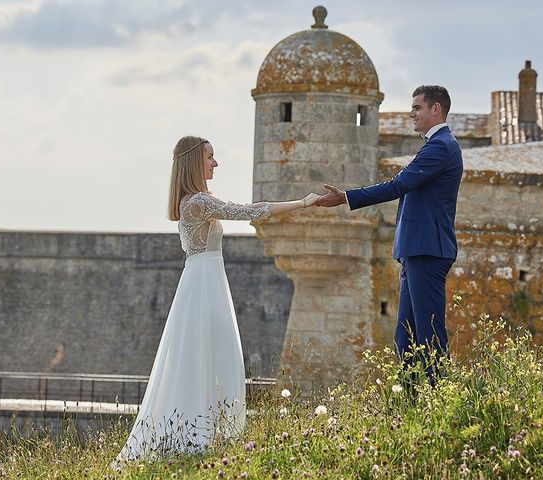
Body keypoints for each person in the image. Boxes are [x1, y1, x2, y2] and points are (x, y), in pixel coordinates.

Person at [112, 136, 320, 464]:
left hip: (204, 281)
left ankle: (203, 436)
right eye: (210, 157)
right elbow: (250, 211)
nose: (215, 163)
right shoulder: (198, 202)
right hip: (204, 286)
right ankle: (196, 439)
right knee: (211, 358)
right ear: (195, 161)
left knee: (208, 358)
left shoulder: (194, 201)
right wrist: (303, 203)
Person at [316, 85, 463, 381]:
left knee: (429, 335)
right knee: (405, 337)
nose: (411, 113)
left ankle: (441, 403)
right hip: (415, 251)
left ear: (436, 109)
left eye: (417, 108)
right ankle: (408, 405)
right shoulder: (434, 146)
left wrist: (347, 197)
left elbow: (398, 185)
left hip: (427, 250)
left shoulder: (441, 147)